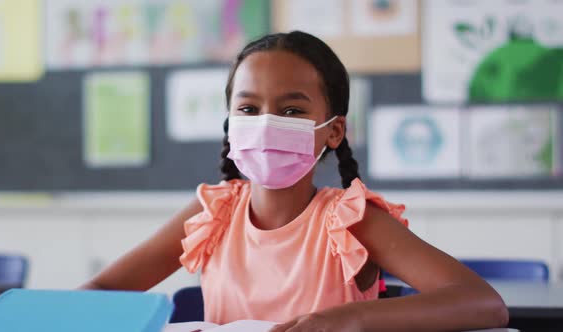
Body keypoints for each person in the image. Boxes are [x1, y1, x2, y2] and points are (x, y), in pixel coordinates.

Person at [82, 31, 508, 331]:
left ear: (334, 130)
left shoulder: (351, 222)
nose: (266, 123)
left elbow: (482, 302)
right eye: (248, 109)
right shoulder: (213, 213)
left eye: (291, 111)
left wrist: (354, 318)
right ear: (230, 121)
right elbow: (103, 289)